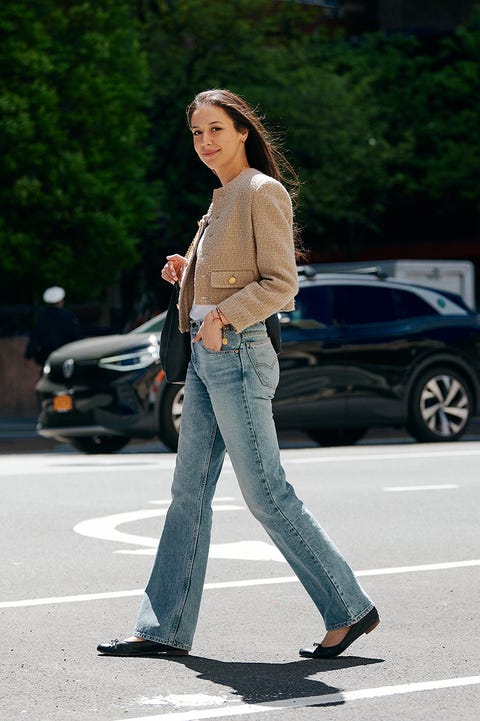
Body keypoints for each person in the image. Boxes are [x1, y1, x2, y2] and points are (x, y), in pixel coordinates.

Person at [97, 89, 379, 659]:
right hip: (208, 356)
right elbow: (230, 277)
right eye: (197, 133)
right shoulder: (221, 198)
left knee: (265, 493)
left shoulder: (260, 191)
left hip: (239, 354)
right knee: (188, 493)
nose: (205, 142)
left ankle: (348, 609)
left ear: (243, 131)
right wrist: (189, 274)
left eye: (216, 129)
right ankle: (163, 628)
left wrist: (222, 314)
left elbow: (281, 282)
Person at [24, 286, 82, 367]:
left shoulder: (42, 317)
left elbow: (35, 338)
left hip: (47, 357)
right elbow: (77, 336)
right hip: (67, 356)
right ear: (61, 301)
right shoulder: (68, 317)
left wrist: (28, 355)